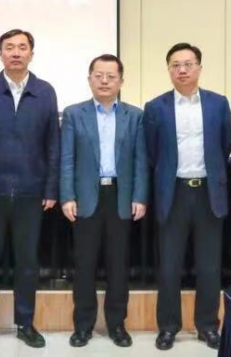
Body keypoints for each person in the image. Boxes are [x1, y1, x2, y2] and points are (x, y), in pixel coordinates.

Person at [0, 29, 59, 349]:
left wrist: (51, 188)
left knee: (28, 264)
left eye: (22, 47)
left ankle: (25, 323)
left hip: (32, 193)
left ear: (31, 53)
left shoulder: (45, 92)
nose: (16, 53)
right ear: (0, 53)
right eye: (9, 47)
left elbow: (53, 144)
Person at [144, 43, 231, 351]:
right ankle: (168, 327)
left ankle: (208, 326)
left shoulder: (218, 103)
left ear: (199, 68)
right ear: (169, 69)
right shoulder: (155, 107)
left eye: (188, 64)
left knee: (209, 267)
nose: (182, 70)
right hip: (174, 193)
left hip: (209, 193)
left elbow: (224, 145)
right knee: (169, 267)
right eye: (175, 65)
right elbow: (152, 152)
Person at [59, 54, 148, 348]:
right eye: (99, 75)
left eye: (111, 76)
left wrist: (139, 196)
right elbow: (67, 159)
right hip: (86, 198)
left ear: (121, 81)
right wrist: (67, 196)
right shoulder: (74, 114)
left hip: (120, 197)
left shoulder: (134, 116)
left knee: (118, 266)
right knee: (84, 266)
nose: (105, 81)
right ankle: (83, 326)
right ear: (89, 80)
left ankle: (117, 325)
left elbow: (140, 160)